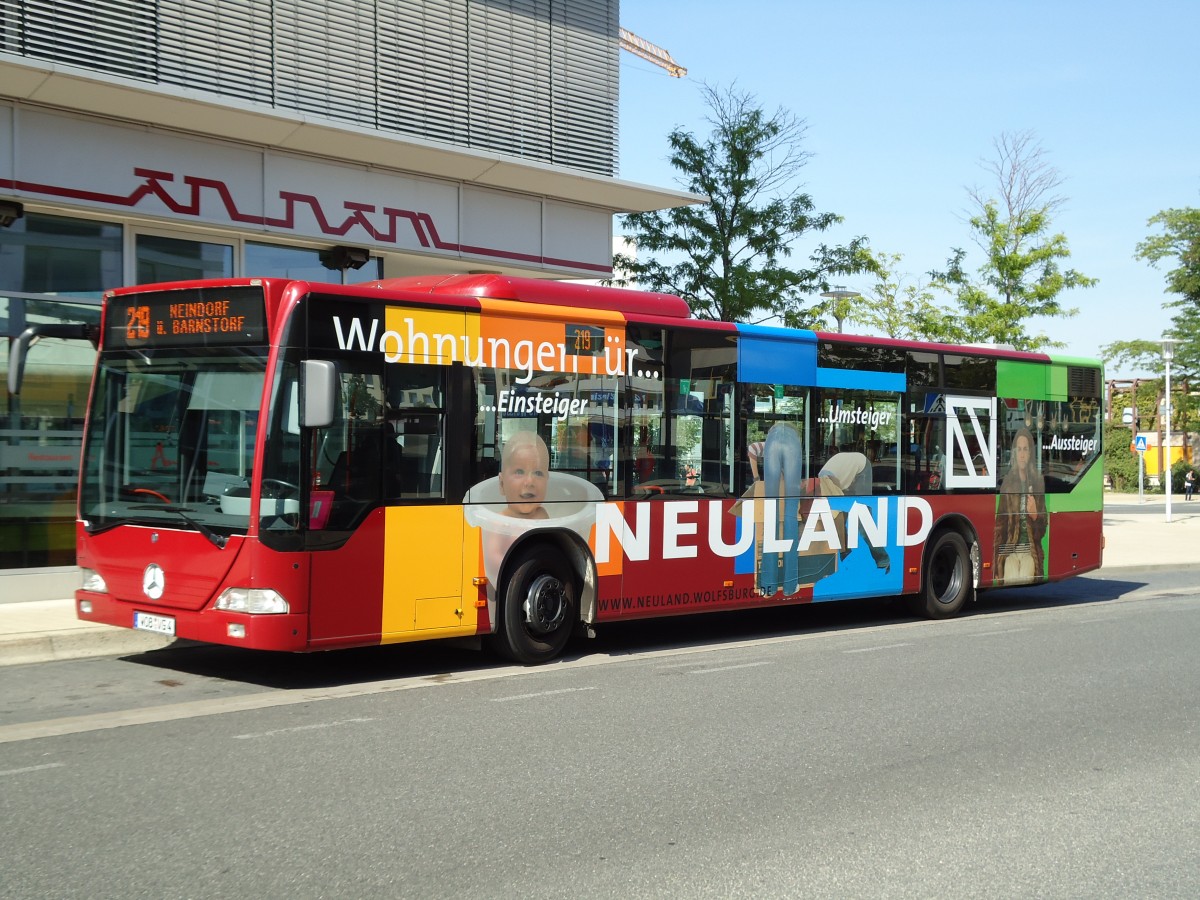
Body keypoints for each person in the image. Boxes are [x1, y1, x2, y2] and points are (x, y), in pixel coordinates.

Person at [993, 426, 1047, 585]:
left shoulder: (1038, 482)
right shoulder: (1007, 483)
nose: (1022, 454)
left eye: (1026, 449)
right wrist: (996, 565)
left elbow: (1043, 529)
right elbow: (999, 526)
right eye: (1019, 449)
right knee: (1010, 578)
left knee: (1024, 577)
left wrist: (1035, 515)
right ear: (1015, 453)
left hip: (1030, 551)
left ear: (1030, 453)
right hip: (1010, 551)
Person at [496, 430, 550, 520]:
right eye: (519, 472)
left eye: (538, 473)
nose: (529, 482)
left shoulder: (542, 514)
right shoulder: (500, 522)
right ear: (502, 484)